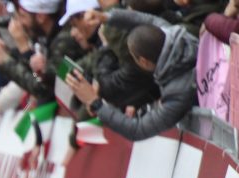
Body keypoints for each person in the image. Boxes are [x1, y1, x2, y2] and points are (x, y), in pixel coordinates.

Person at [67, 9, 198, 141]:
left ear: (143, 61)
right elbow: (148, 19)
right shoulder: (176, 33)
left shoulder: (176, 94)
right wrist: (106, 17)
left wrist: (95, 103)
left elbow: (138, 129)